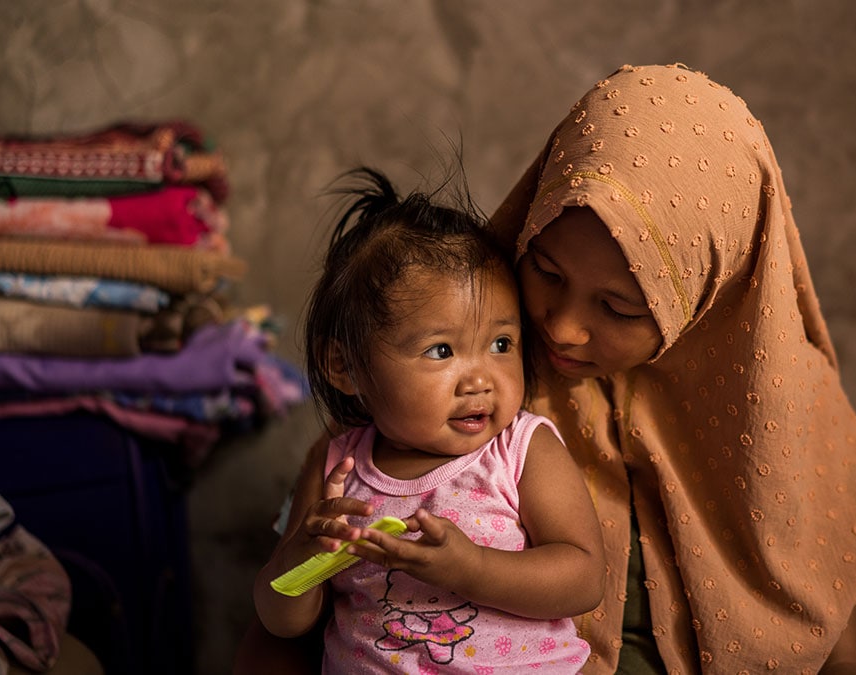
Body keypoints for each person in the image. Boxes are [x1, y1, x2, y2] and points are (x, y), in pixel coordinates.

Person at [239, 63, 856, 675]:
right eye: (546, 271)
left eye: (618, 307)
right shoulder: (429, 399)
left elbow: (832, 635)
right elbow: (282, 624)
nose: (558, 328)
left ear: (709, 296)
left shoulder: (794, 429)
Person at [252, 168, 604, 674]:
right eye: (442, 350)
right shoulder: (338, 466)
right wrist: (299, 561)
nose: (480, 379)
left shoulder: (521, 450)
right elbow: (283, 621)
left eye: (501, 344)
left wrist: (474, 569)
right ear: (345, 368)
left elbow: (584, 578)